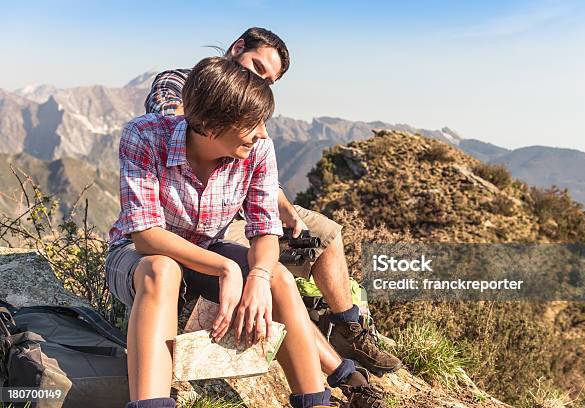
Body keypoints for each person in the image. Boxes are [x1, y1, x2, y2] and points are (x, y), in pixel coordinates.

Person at [145, 26, 402, 378]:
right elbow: (178, 126)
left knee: (325, 232)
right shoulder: (182, 84)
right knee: (269, 277)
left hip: (245, 202)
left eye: (268, 80)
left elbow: (254, 158)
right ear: (236, 47)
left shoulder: (252, 105)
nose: (260, 80)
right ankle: (338, 373)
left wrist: (282, 207)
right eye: (257, 66)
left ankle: (349, 329)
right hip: (202, 216)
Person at [106, 57, 336, 408]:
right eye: (252, 123)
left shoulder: (258, 150)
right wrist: (225, 267)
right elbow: (146, 236)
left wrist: (257, 276)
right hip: (139, 257)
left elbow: (264, 232)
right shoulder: (146, 136)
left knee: (278, 278)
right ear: (211, 124)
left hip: (206, 248)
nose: (262, 132)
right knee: (162, 270)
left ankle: (315, 401)